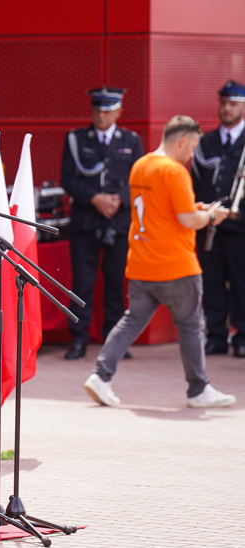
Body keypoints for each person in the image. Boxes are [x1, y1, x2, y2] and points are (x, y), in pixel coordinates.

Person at [83, 115, 236, 409]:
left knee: (130, 321)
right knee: (191, 326)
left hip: (141, 262)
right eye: (191, 148)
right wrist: (210, 216)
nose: (192, 156)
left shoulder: (142, 165)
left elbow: (163, 209)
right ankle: (198, 389)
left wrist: (197, 207)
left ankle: (101, 375)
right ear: (182, 141)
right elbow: (187, 219)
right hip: (176, 265)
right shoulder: (175, 171)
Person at [61, 87, 144, 360]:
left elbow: (138, 180)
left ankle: (114, 341)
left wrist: (118, 200)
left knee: (115, 283)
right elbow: (68, 179)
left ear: (119, 112)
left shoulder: (131, 141)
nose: (101, 115)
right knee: (81, 283)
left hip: (118, 222)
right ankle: (79, 339)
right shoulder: (75, 139)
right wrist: (95, 198)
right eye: (97, 109)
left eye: (107, 110)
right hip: (86, 220)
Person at [191, 80, 245, 358]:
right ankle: (216, 336)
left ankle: (242, 336)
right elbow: (196, 182)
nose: (226, 108)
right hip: (210, 225)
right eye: (223, 103)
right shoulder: (205, 142)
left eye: (233, 104)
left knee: (241, 281)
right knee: (211, 281)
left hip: (240, 227)